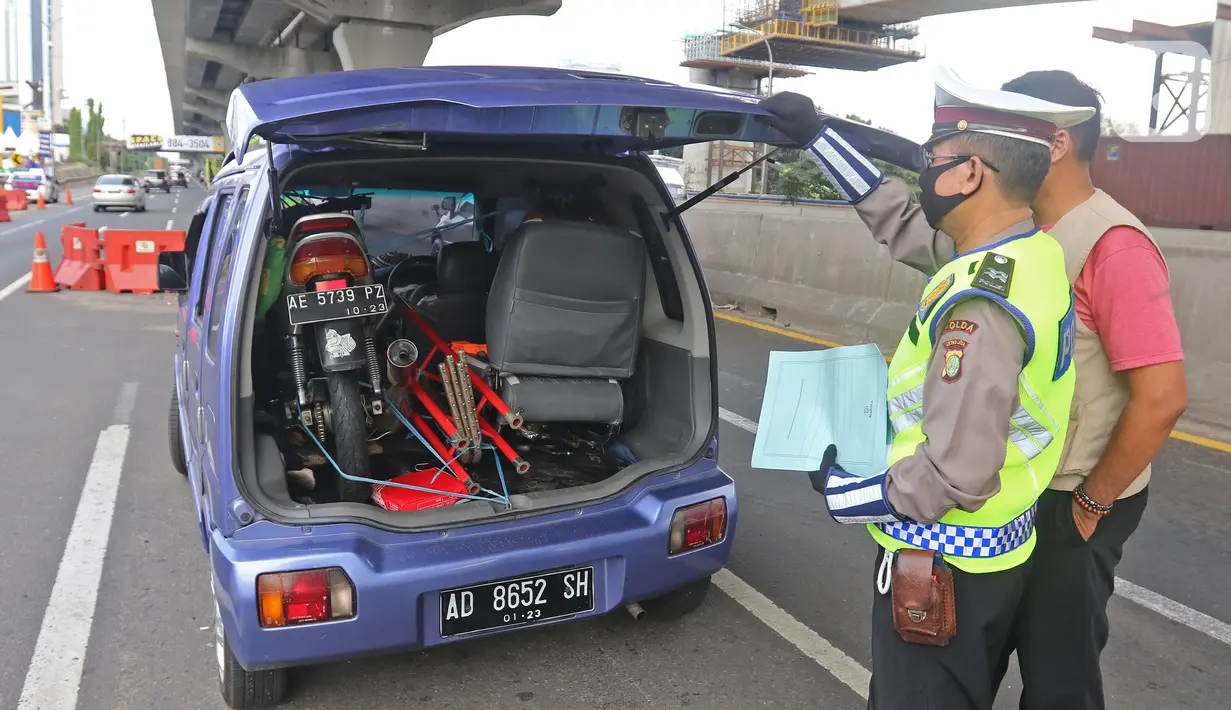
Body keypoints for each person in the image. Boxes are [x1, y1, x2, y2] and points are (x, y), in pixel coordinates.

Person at [760, 67, 1090, 710]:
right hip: (995, 557)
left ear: (969, 175)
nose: (924, 171)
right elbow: (902, 222)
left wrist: (839, 492)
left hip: (941, 570)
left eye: (933, 158)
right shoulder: (1026, 254)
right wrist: (819, 138)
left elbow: (952, 477)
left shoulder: (981, 303)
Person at [986, 70, 1188, 710]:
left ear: (1055, 142)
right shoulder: (1019, 233)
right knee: (971, 657)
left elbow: (1162, 397)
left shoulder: (1113, 244)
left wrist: (1092, 505)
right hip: (1015, 487)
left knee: (1057, 681)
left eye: (1006, 128)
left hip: (1073, 497)